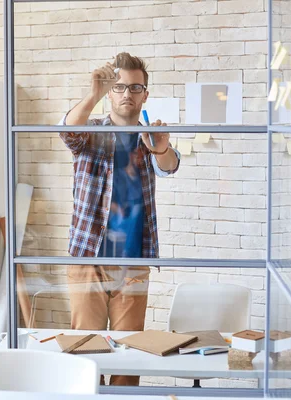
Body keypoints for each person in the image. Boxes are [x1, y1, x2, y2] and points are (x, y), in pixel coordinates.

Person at [59, 52, 180, 386]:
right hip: (89, 257)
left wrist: (160, 147)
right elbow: (67, 132)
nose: (128, 93)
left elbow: (169, 165)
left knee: (130, 357)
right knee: (86, 351)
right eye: (120, 87)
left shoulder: (152, 138)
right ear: (111, 93)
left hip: (133, 262)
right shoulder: (92, 132)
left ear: (145, 94)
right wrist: (93, 94)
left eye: (135, 87)